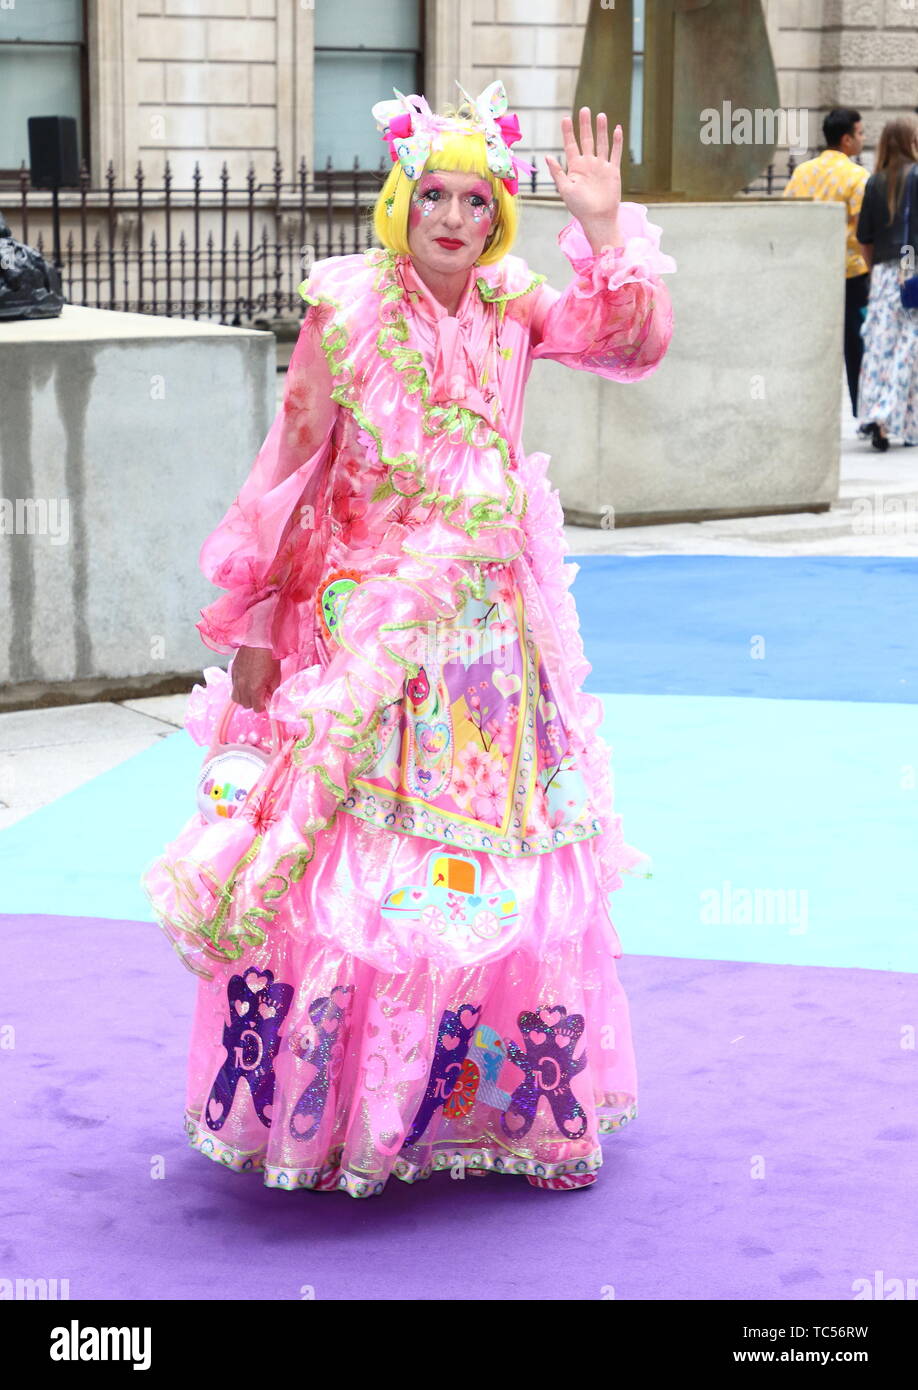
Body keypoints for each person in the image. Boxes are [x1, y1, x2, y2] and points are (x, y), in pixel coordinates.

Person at [141, 82, 676, 1200]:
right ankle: (355, 1115)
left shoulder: (515, 302)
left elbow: (626, 344)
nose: (451, 216)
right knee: (362, 874)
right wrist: (250, 617)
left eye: (474, 201)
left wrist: (605, 226)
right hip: (367, 632)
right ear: (401, 200)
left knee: (497, 865)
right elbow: (289, 465)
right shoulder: (346, 311)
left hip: (488, 643)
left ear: (495, 219)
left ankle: (492, 1102)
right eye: (430, 193)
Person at [783, 107, 868, 419]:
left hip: (809, 272)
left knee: (811, 345)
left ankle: (809, 411)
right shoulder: (858, 176)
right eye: (860, 133)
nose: (863, 139)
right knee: (856, 345)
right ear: (846, 139)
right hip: (851, 274)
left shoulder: (802, 172)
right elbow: (862, 229)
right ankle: (863, 410)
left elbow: (789, 217)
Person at [855, 115, 918, 451]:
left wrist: (876, 271)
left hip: (882, 273)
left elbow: (863, 237)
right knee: (909, 348)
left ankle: (877, 416)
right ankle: (904, 422)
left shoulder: (874, 181)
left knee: (880, 348)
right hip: (913, 270)